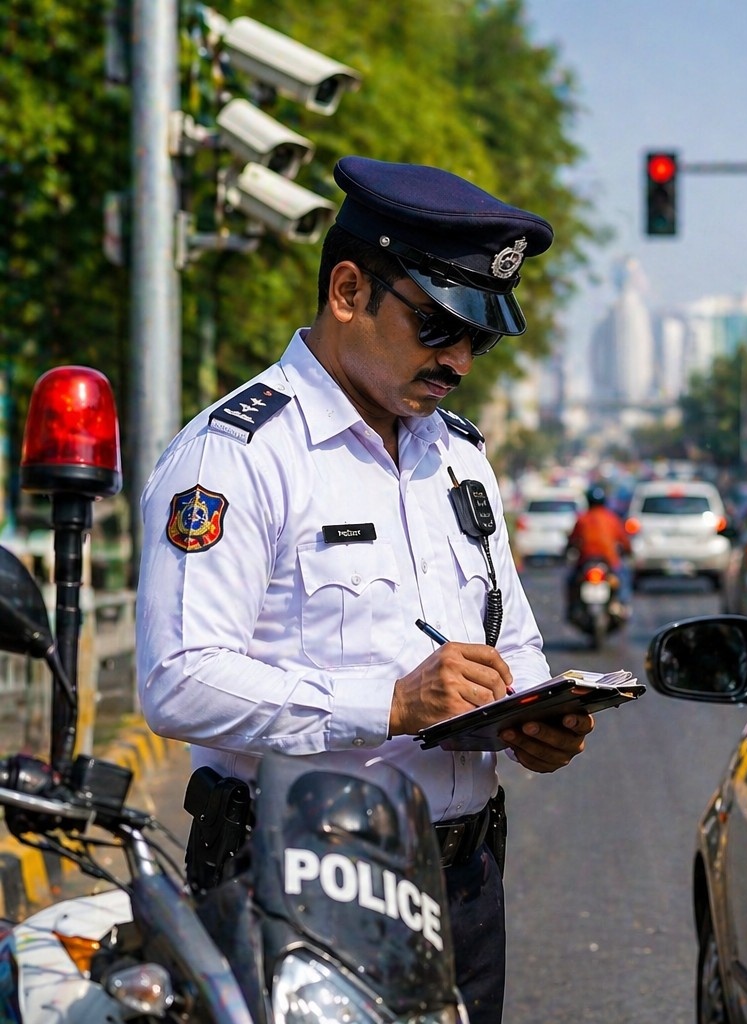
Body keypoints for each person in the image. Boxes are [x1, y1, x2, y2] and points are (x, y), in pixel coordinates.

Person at [135, 155, 593, 1024]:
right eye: (436, 327)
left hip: (461, 886)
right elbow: (179, 679)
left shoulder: (456, 454)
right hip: (297, 883)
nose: (458, 360)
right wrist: (388, 704)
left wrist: (533, 711)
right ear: (349, 290)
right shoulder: (236, 455)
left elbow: (513, 638)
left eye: (478, 338)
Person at [565, 483, 632, 611]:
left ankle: (572, 606)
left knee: (571, 579)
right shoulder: (611, 518)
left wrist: (568, 549)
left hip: (586, 561)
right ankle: (623, 605)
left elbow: (572, 539)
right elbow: (624, 540)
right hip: (608, 560)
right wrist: (628, 551)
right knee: (623, 577)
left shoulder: (582, 519)